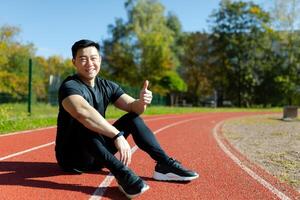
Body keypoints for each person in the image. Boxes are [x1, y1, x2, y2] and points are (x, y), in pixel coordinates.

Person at [55, 39, 199, 199]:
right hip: (72, 159)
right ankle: (123, 175)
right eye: (83, 59)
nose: (89, 63)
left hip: (98, 157)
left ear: (100, 60)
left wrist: (142, 102)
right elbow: (83, 112)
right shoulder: (70, 86)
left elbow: (133, 107)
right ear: (74, 62)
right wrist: (117, 135)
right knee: (85, 124)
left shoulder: (107, 86)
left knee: (133, 119)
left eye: (93, 58)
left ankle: (164, 165)